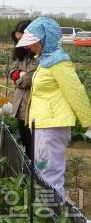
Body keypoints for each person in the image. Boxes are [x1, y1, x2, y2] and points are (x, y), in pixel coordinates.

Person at [16, 17, 91, 195]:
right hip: (43, 124)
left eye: (33, 42)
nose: (29, 47)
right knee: (42, 169)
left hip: (52, 126)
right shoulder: (47, 60)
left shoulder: (58, 61)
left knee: (50, 174)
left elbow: (75, 91)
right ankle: (47, 209)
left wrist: (88, 122)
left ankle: (53, 213)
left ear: (46, 38)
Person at [9, 20, 36, 158]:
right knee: (24, 139)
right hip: (19, 104)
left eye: (23, 38)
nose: (21, 43)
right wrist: (19, 74)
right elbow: (11, 72)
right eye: (18, 39)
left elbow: (28, 80)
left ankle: (34, 172)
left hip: (31, 105)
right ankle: (27, 167)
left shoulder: (38, 55)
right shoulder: (21, 53)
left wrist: (18, 78)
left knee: (33, 142)